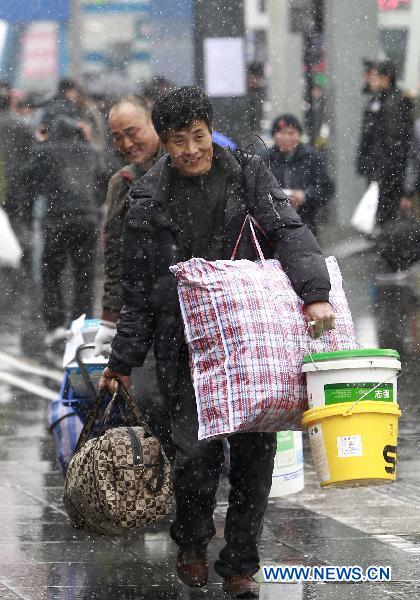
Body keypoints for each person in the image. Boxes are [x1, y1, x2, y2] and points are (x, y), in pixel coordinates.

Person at [99, 87, 334, 598]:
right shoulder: (146, 198)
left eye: (198, 137)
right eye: (178, 140)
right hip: (181, 342)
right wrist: (121, 360)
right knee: (193, 453)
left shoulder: (249, 174)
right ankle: (191, 542)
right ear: (165, 142)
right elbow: (139, 292)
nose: (190, 150)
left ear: (210, 130)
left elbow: (289, 233)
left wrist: (315, 294)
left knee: (254, 455)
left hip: (246, 341)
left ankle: (240, 563)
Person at [93, 95, 174, 462]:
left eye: (132, 132)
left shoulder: (184, 165)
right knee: (151, 397)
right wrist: (110, 321)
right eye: (117, 137)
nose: (125, 144)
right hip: (146, 309)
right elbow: (114, 260)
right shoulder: (122, 183)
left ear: (154, 125)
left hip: (193, 304)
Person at [26, 116, 103, 344]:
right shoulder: (90, 151)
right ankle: (82, 325)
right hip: (87, 219)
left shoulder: (46, 151)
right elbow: (103, 178)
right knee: (85, 275)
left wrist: (40, 144)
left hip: (57, 220)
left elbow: (29, 177)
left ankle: (56, 325)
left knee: (51, 274)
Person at [357, 59, 413, 227]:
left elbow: (394, 141)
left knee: (387, 215)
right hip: (383, 170)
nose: (369, 80)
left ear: (386, 78)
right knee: (383, 215)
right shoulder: (379, 100)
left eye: (374, 76)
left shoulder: (393, 103)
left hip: (388, 172)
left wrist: (381, 170)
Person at [260, 114, 334, 235]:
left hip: (305, 225)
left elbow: (326, 189)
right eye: (282, 133)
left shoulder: (312, 158)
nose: (286, 138)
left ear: (299, 135)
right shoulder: (263, 159)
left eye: (291, 133)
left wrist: (304, 196)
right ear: (274, 135)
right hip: (270, 228)